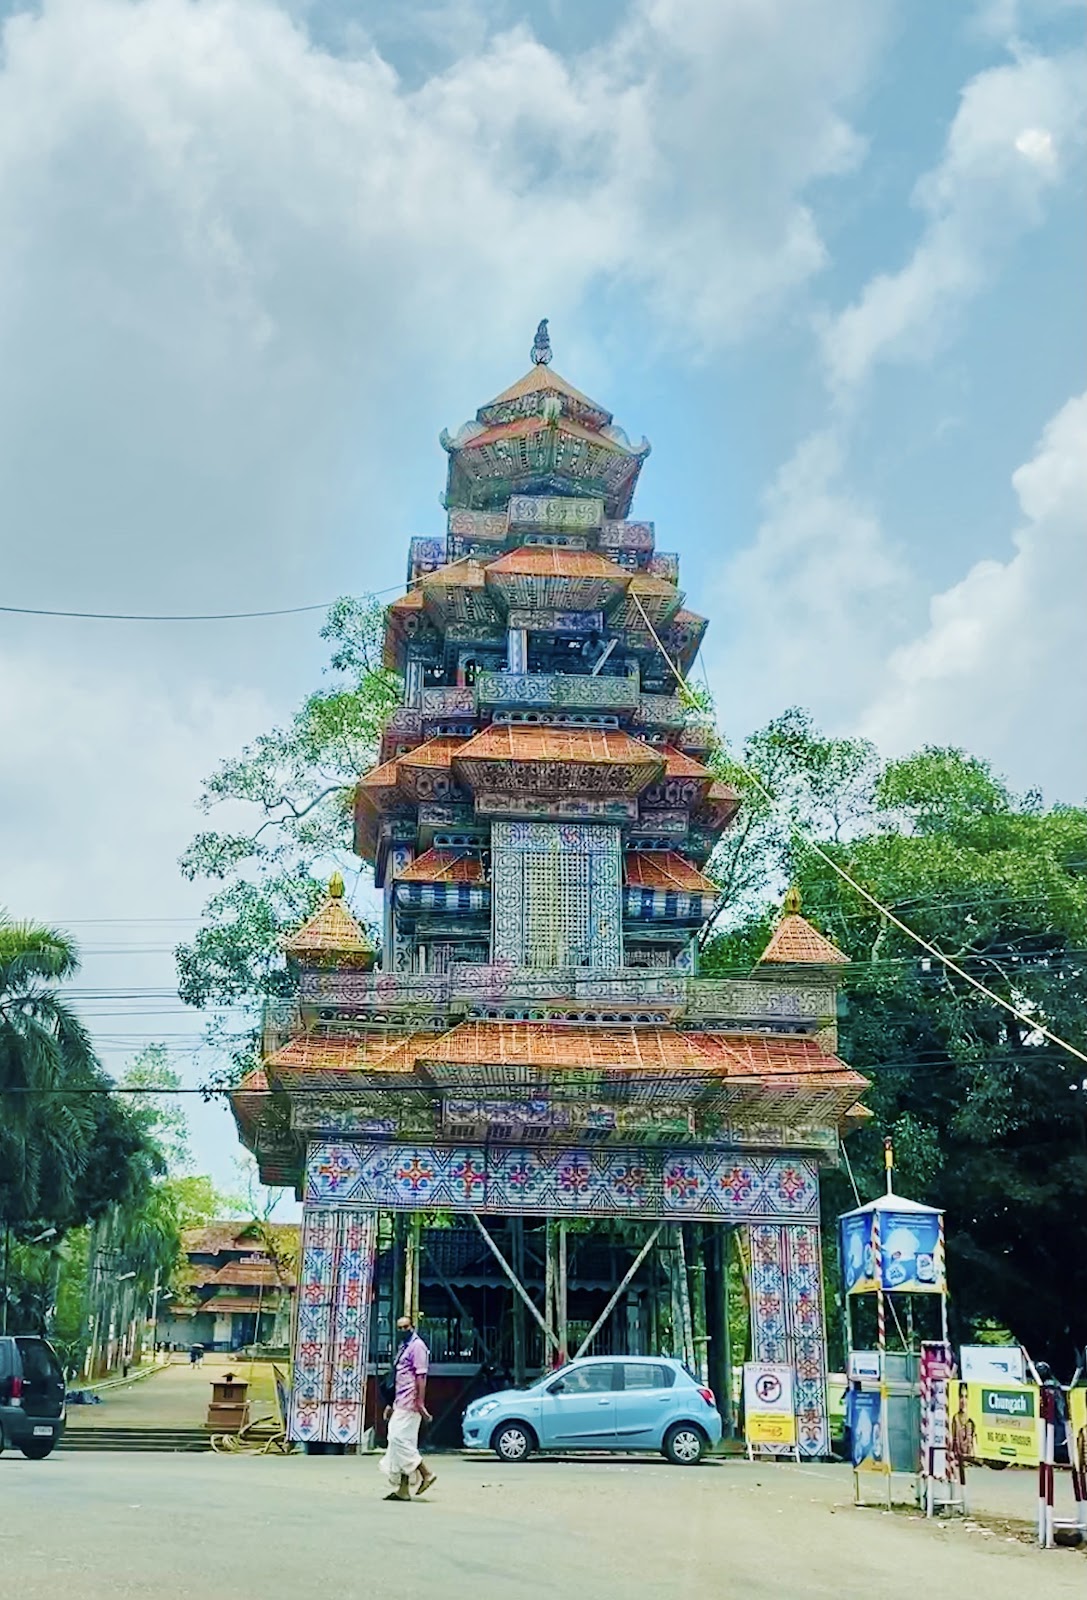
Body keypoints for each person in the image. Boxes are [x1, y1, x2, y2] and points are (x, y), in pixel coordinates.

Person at [379, 1316, 437, 1502]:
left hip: (410, 1403)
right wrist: (390, 1403)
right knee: (402, 1443)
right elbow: (398, 1377)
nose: (403, 1330)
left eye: (406, 1327)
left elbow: (421, 1377)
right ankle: (403, 1489)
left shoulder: (417, 1347)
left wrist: (420, 1403)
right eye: (400, 1327)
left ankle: (426, 1473)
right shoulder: (403, 1347)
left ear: (413, 1327)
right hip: (400, 1401)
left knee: (397, 1439)